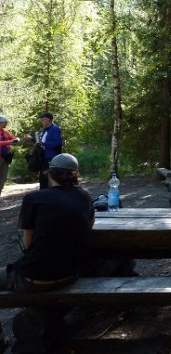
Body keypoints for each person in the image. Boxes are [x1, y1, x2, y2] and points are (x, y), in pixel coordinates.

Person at [0, 153, 94, 292]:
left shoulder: (33, 199)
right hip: (69, 275)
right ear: (76, 174)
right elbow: (89, 226)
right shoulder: (85, 196)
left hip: (35, 277)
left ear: (50, 173)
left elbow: (27, 243)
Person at [24, 112, 63, 190]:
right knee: (43, 178)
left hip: (51, 157)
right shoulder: (45, 130)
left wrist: (43, 143)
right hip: (43, 157)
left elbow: (57, 143)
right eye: (41, 120)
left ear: (48, 120)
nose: (42, 121)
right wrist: (32, 139)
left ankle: (51, 195)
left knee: (49, 177)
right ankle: (43, 195)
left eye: (43, 120)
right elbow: (40, 141)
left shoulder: (55, 129)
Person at [0, 116, 20, 198]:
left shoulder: (5, 132)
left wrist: (17, 139)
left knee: (2, 179)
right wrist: (10, 141)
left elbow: (14, 138)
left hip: (5, 159)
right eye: (5, 122)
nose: (6, 124)